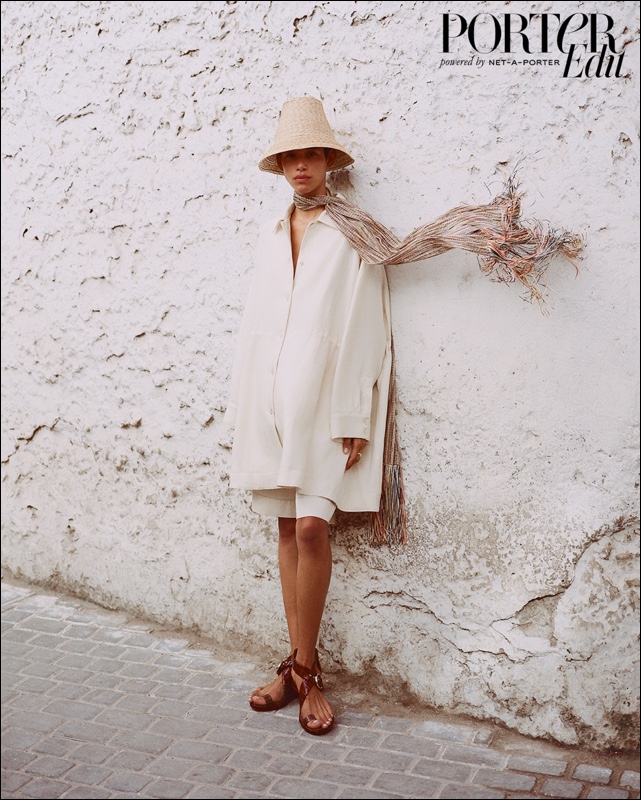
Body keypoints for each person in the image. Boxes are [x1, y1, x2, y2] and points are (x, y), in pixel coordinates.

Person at [224, 96, 393, 735]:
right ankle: (300, 668)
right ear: (281, 165)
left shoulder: (354, 231)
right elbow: (256, 326)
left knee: (314, 529)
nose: (301, 165)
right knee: (286, 528)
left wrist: (353, 413)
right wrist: (247, 405)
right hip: (271, 405)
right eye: (291, 156)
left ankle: (305, 673)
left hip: (324, 404)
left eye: (312, 154)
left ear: (328, 161)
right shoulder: (270, 234)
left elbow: (368, 324)